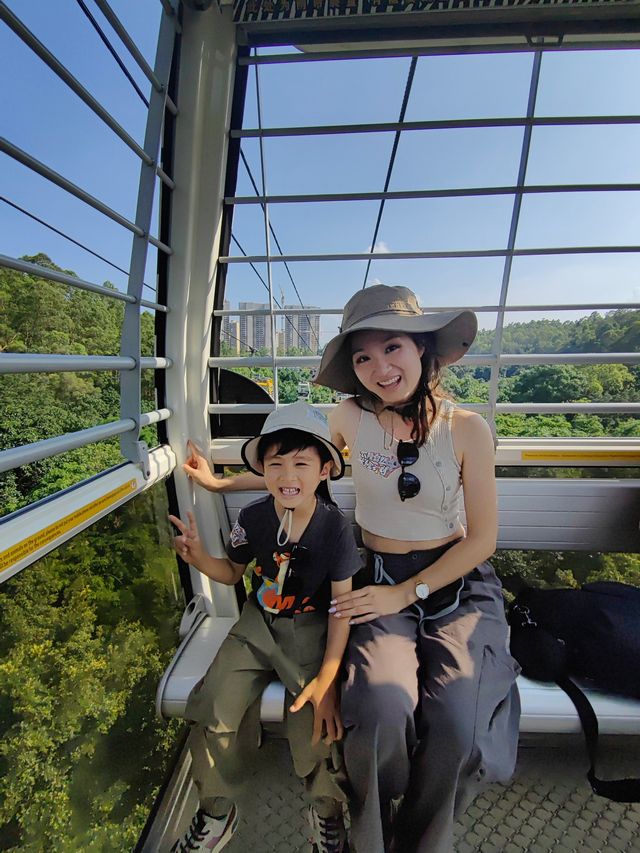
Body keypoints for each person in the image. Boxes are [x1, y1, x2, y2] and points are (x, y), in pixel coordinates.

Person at [185, 285, 521, 853]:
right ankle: (366, 834)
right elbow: (298, 467)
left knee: (458, 723)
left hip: (454, 586)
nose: (379, 367)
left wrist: (407, 593)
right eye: (362, 356)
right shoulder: (348, 417)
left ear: (423, 349)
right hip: (377, 580)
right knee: (378, 709)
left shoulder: (466, 430)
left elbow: (482, 539)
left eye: (392, 347)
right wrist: (221, 481)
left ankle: (422, 841)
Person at [169, 402, 361, 853]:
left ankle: (327, 812)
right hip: (258, 624)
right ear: (263, 469)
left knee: (317, 721)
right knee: (213, 700)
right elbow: (233, 574)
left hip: (311, 627)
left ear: (324, 470)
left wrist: (328, 680)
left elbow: (342, 608)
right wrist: (196, 556)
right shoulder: (254, 518)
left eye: (300, 464)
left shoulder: (335, 529)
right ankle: (217, 809)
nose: (286, 475)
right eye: (275, 464)